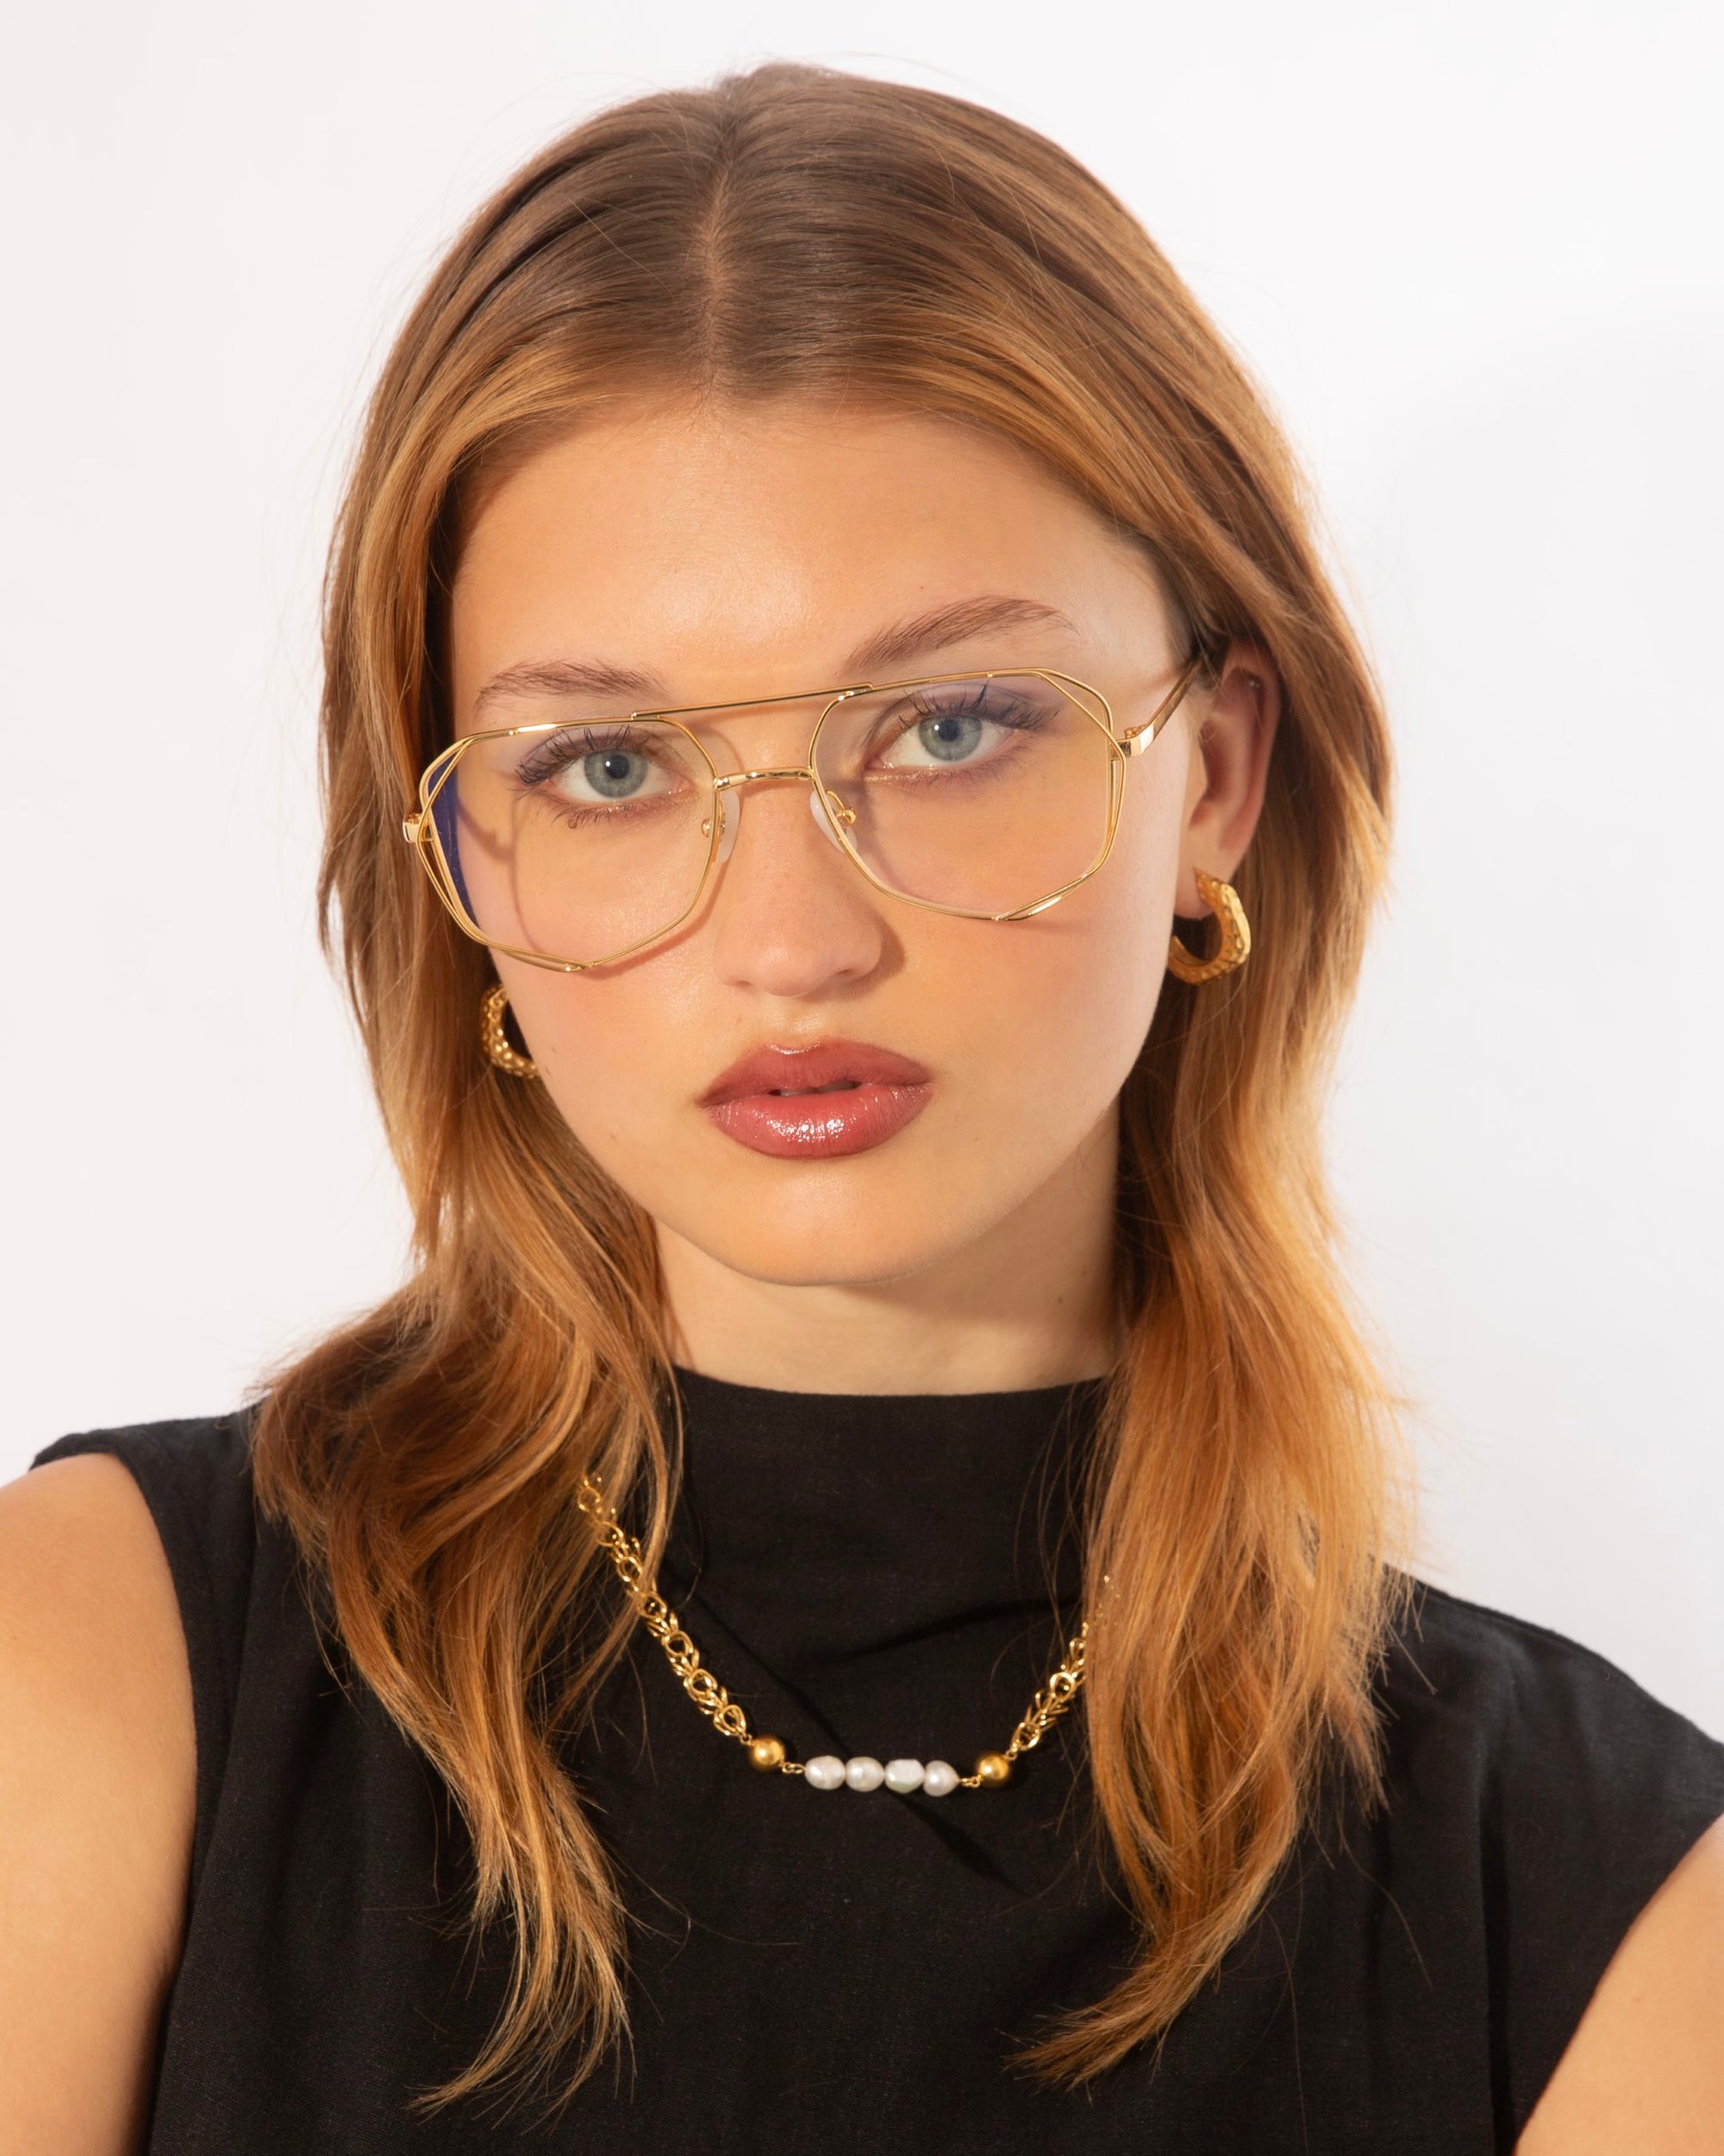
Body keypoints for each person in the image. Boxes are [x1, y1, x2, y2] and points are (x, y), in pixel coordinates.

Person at [3, 62, 1721, 2155]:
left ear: (1218, 777)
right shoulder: (99, 1668)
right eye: (609, 768)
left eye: (951, 722)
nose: (793, 939)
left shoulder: (1610, 1903)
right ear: (466, 873)